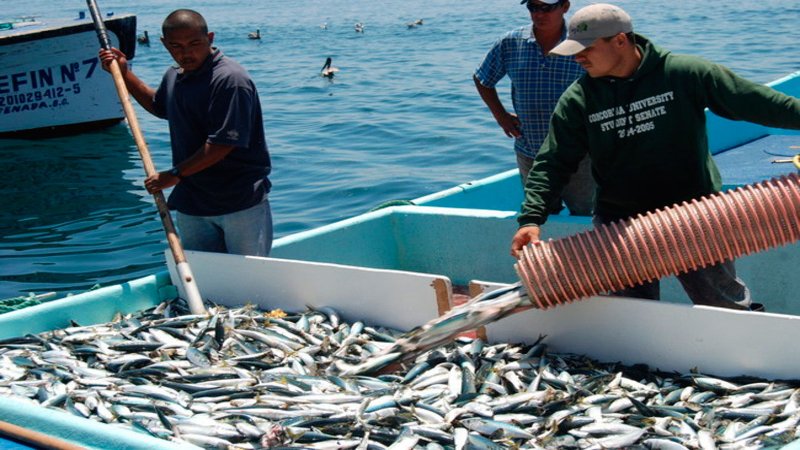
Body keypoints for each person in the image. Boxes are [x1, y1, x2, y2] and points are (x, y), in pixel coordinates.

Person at [510, 3, 800, 310]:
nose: (577, 58)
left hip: (694, 213)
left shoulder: (684, 73)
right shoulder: (578, 99)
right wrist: (531, 218)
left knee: (725, 305)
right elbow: (553, 162)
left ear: (620, 40)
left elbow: (759, 103)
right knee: (633, 316)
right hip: (622, 224)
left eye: (587, 49)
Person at [99, 9, 273, 256]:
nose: (185, 53)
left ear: (210, 38)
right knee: (206, 279)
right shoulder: (174, 75)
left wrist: (174, 174)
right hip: (193, 202)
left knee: (249, 281)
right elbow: (160, 106)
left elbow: (222, 144)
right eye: (176, 46)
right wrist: (125, 73)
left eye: (194, 44)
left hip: (238, 202)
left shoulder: (230, 80)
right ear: (164, 44)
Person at [474, 0, 594, 216]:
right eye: (533, 7)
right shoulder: (511, 43)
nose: (539, 14)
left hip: (578, 153)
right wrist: (500, 116)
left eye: (547, 8)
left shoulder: (582, 43)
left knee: (587, 215)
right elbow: (482, 79)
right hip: (530, 151)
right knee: (541, 217)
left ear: (565, 6)